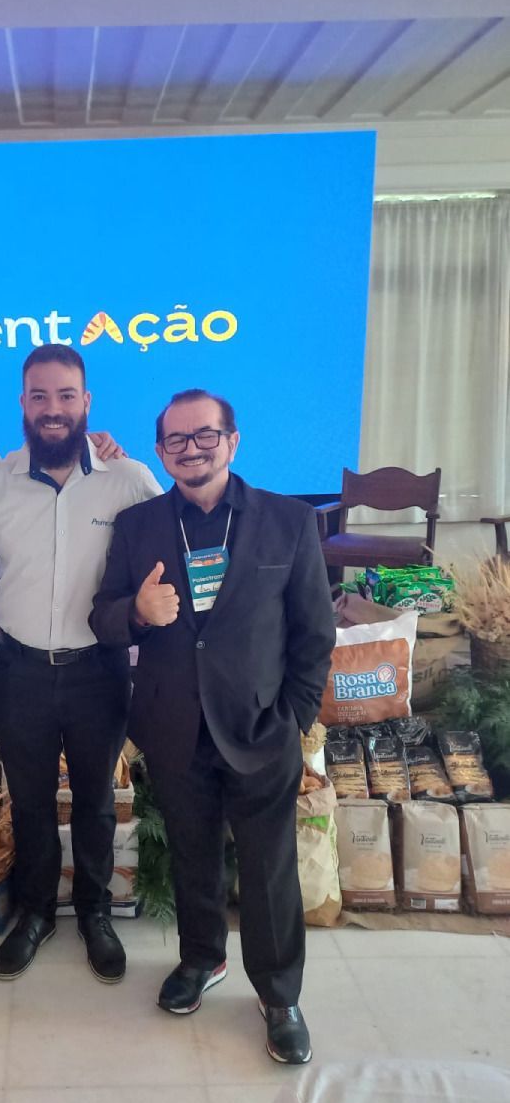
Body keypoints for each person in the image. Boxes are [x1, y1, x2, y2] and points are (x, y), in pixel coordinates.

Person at [89, 389, 335, 1065]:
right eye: (176, 440)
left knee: (269, 869)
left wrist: (294, 719)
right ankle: (202, 959)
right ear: (160, 450)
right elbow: (102, 619)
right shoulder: (138, 526)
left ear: (232, 440)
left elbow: (315, 633)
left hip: (261, 727)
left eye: (206, 436)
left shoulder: (288, 521)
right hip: (173, 726)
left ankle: (279, 993)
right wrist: (136, 612)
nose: (191, 450)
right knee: (194, 856)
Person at [0, 344, 161, 984]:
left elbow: (167, 561)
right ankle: (34, 912)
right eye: (39, 397)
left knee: (96, 802)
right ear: (23, 404)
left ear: (87, 403)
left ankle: (93, 910)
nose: (52, 410)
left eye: (65, 397)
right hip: (21, 671)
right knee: (29, 802)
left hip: (99, 670)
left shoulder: (130, 480)